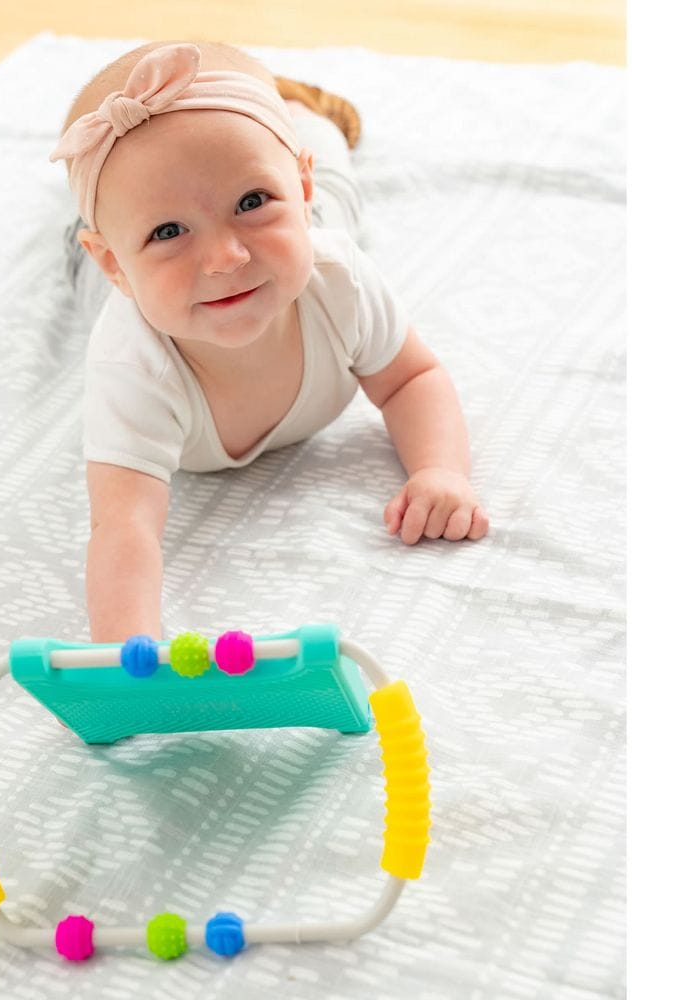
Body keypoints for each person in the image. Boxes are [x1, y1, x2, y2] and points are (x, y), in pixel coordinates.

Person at [51, 40, 489, 643]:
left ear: (298, 191)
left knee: (340, 201)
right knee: (80, 260)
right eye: (168, 231)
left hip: (304, 239)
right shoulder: (133, 364)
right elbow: (124, 527)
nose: (226, 257)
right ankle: (114, 229)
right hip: (123, 291)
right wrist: (128, 656)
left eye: (252, 202)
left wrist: (441, 470)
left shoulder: (339, 282)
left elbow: (412, 378)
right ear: (115, 264)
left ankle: (303, 115)